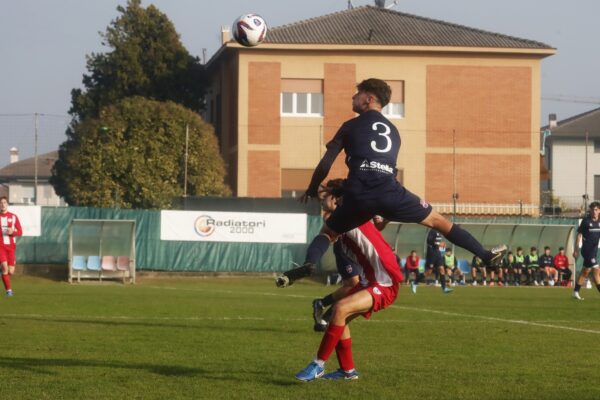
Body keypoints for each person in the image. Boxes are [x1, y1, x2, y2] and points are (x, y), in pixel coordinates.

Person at [284, 78, 505, 288]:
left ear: (368, 98)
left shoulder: (350, 126)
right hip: (390, 191)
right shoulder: (394, 131)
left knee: (327, 234)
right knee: (439, 221)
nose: (353, 97)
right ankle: (485, 255)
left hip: (359, 193)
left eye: (357, 93)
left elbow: (325, 164)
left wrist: (313, 188)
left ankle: (309, 263)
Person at [294, 179, 404, 381]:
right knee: (337, 320)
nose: (323, 199)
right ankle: (347, 371)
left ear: (337, 199)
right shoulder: (340, 220)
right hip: (369, 281)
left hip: (385, 281)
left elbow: (376, 213)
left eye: (326, 196)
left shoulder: (353, 211)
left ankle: (318, 365)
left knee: (340, 308)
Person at [572, 202, 600, 300]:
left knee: (585, 271)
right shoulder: (586, 221)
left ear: (599, 210)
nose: (594, 212)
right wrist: (576, 249)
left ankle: (575, 292)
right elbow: (579, 235)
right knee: (597, 269)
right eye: (592, 210)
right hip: (586, 250)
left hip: (594, 251)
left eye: (596, 210)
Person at [417, 229, 452, 293]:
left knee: (442, 269)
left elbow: (437, 242)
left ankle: (444, 288)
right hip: (432, 253)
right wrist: (439, 244)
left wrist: (441, 244)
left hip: (437, 253)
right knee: (429, 272)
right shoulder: (432, 231)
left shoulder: (440, 231)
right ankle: (415, 281)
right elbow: (429, 241)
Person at [0, 196, 22, 297]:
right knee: (4, 268)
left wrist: (12, 232)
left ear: (7, 204)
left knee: (11, 271)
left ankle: (4, 275)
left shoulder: (13, 217)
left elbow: (20, 231)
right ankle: (9, 291)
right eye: (1, 203)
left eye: (4, 203)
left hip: (11, 248)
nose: (3, 204)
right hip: (1, 247)